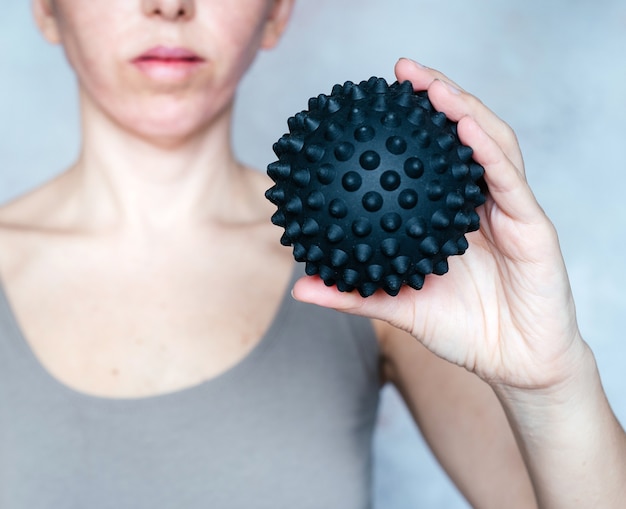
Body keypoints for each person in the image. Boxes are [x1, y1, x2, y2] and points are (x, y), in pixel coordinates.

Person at [0, 0, 624, 507]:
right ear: (46, 10)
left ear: (276, 13)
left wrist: (552, 383)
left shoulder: (382, 275)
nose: (170, 7)